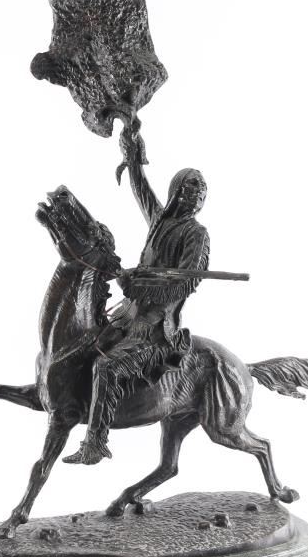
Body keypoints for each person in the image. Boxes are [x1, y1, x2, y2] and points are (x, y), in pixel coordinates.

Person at [63, 123, 210, 465]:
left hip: (156, 328)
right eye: (191, 187)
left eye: (202, 191)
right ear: (176, 192)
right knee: (79, 347)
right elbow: (141, 189)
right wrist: (132, 152)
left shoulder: (196, 234)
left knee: (106, 367)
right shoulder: (160, 221)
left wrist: (138, 286)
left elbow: (184, 284)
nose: (197, 194)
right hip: (126, 316)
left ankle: (96, 442)